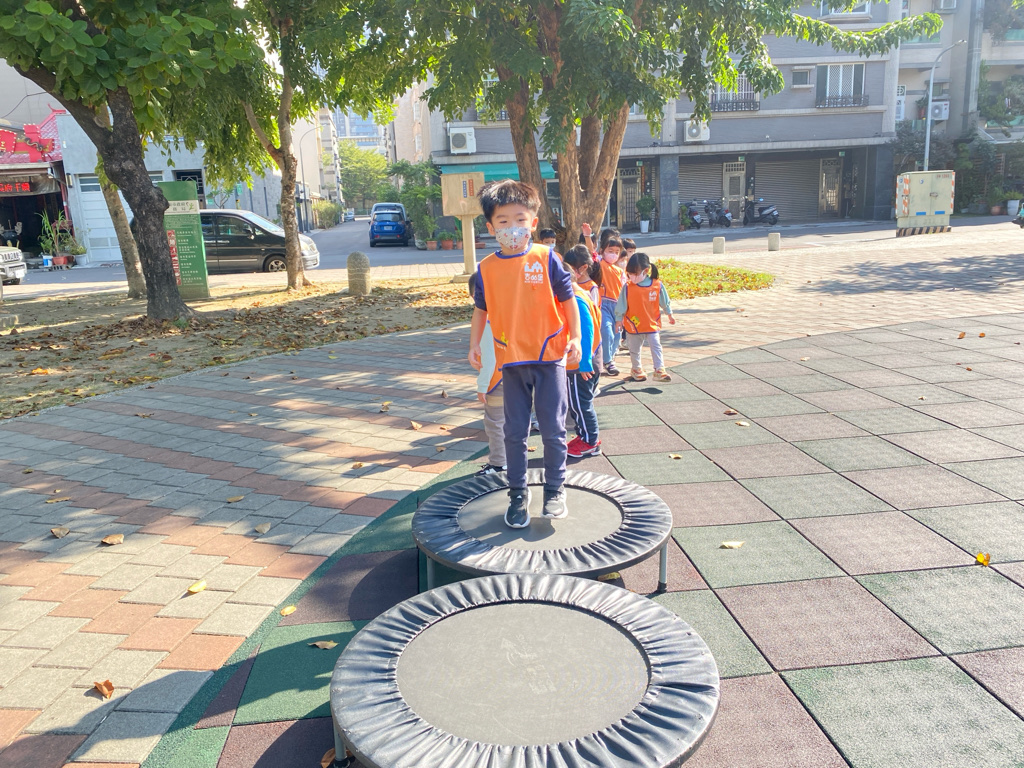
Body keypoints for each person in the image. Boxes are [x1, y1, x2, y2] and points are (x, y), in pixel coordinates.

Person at [469, 180, 582, 529]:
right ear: (490, 227)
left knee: (553, 430)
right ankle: (517, 494)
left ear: (533, 223)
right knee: (514, 433)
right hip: (511, 361)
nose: (512, 228)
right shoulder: (486, 268)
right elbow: (480, 310)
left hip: (549, 358)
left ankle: (555, 490)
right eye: (503, 221)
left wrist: (576, 337)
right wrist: (474, 344)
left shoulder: (546, 258)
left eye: (520, 220)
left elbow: (568, 300)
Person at [562, 245, 603, 457]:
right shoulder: (582, 293)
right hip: (589, 358)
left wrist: (584, 361)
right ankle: (585, 436)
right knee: (580, 403)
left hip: (581, 364)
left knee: (580, 405)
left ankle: (590, 441)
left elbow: (586, 330)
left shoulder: (576, 299)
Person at [615, 251, 675, 382]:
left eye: (635, 274)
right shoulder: (628, 287)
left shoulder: (656, 285)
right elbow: (621, 304)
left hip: (652, 323)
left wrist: (669, 314)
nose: (632, 277)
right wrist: (618, 320)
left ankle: (659, 370)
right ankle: (636, 369)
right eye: (629, 274)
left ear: (646, 270)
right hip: (633, 324)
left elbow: (664, 301)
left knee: (656, 345)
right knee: (634, 349)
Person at [468, 272, 506, 476]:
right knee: (515, 421)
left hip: (497, 381)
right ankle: (515, 458)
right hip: (517, 374)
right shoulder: (507, 314)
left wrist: (482, 386)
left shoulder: (485, 323)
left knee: (495, 423)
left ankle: (499, 463)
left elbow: (489, 359)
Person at [597, 236, 625, 376]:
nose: (613, 254)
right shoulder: (599, 264)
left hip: (617, 306)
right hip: (603, 304)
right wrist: (588, 236)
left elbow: (624, 290)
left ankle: (610, 359)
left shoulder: (620, 271)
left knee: (616, 335)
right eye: (610, 250)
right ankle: (607, 361)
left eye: (616, 252)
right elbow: (592, 252)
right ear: (602, 251)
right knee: (606, 331)